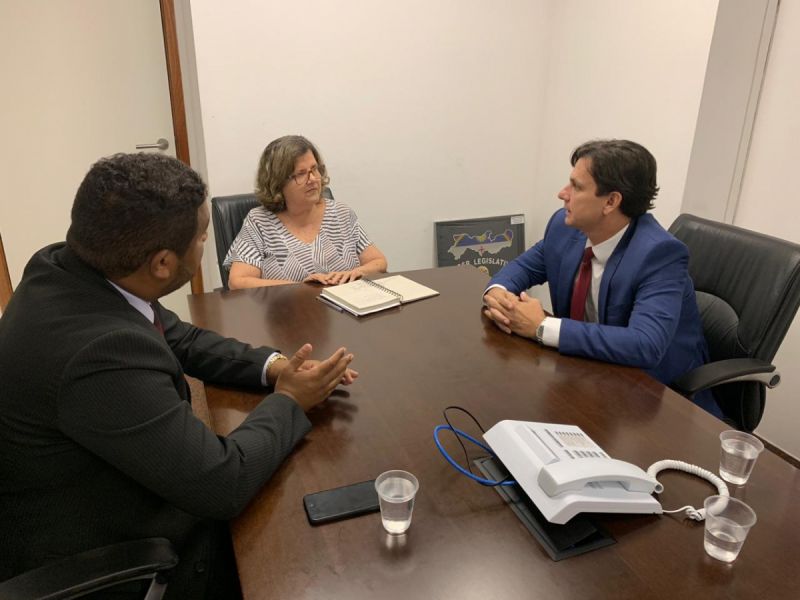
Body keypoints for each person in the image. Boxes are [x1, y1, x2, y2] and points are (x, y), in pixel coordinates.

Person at [0, 153, 358, 598]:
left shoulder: (70, 267)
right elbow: (222, 483)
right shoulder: (100, 354)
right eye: (203, 236)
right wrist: (290, 400)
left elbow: (179, 338)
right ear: (163, 264)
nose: (206, 243)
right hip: (110, 550)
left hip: (101, 480)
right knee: (304, 551)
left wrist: (275, 367)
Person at [483, 139, 721, 418]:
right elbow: (523, 268)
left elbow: (645, 344)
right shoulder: (564, 226)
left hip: (656, 401)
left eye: (576, 187)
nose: (563, 194)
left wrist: (542, 326)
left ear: (611, 202)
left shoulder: (660, 254)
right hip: (587, 376)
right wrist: (499, 293)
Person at [225, 135, 387, 288]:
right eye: (301, 174)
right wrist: (300, 288)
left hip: (345, 305)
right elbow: (238, 282)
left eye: (314, 169)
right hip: (288, 307)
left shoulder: (341, 213)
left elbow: (379, 261)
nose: (313, 179)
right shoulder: (259, 222)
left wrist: (357, 272)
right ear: (278, 182)